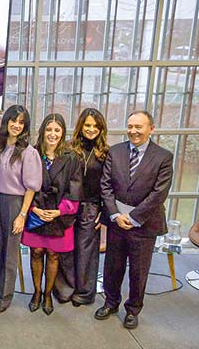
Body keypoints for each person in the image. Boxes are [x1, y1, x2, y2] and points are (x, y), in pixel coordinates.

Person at [96, 110, 173, 329]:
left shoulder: (163, 157)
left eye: (139, 126)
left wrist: (133, 216)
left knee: (139, 271)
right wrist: (116, 215)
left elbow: (159, 193)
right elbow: (106, 186)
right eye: (130, 126)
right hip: (116, 222)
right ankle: (111, 303)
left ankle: (133, 309)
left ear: (151, 128)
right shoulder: (115, 151)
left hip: (144, 224)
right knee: (112, 266)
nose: (133, 131)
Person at [0, 105, 42, 314]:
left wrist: (22, 215)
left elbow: (31, 187)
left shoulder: (28, 152)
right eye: (13, 121)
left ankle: (4, 297)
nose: (16, 125)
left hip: (15, 203)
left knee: (9, 252)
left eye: (21, 122)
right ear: (6, 121)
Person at [21, 113, 82, 316]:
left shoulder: (71, 158)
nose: (52, 134)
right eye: (49, 129)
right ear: (42, 131)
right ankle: (37, 292)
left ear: (63, 132)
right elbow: (24, 183)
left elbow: (75, 188)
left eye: (57, 130)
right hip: (36, 210)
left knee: (54, 255)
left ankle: (48, 294)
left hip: (59, 214)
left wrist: (59, 211)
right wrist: (34, 209)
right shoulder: (32, 153)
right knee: (36, 252)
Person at [53, 108, 109, 306]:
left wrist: (104, 213)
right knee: (65, 249)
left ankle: (84, 292)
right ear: (80, 126)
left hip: (91, 206)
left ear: (101, 128)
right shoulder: (68, 148)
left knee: (86, 252)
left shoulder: (105, 153)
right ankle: (64, 290)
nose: (91, 129)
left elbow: (109, 185)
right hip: (68, 204)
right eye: (87, 125)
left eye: (95, 126)